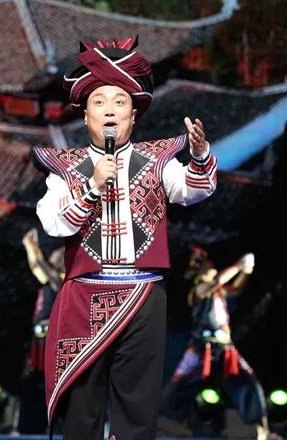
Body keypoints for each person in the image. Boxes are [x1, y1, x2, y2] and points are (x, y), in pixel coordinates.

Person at [31, 37, 217, 440]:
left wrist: (200, 156)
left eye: (120, 101)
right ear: (85, 115)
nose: (110, 109)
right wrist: (92, 187)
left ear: (134, 115)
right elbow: (53, 224)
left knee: (138, 406)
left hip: (143, 294)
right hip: (85, 296)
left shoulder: (158, 161)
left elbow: (193, 189)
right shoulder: (66, 168)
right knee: (82, 408)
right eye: (99, 102)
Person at [161, 247, 280, 440]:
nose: (212, 265)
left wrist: (244, 272)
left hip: (225, 348)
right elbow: (217, 281)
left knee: (248, 383)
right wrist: (238, 266)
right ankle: (165, 423)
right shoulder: (199, 290)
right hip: (202, 348)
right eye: (207, 264)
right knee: (180, 383)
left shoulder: (220, 291)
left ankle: (262, 430)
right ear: (199, 271)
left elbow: (237, 288)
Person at [17, 228, 65, 433]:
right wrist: (30, 247)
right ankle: (30, 427)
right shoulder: (47, 278)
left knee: (51, 385)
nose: (55, 253)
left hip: (52, 344)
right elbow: (36, 267)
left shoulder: (62, 280)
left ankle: (56, 427)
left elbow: (41, 267)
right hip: (39, 342)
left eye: (60, 253)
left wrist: (30, 244)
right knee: (32, 384)